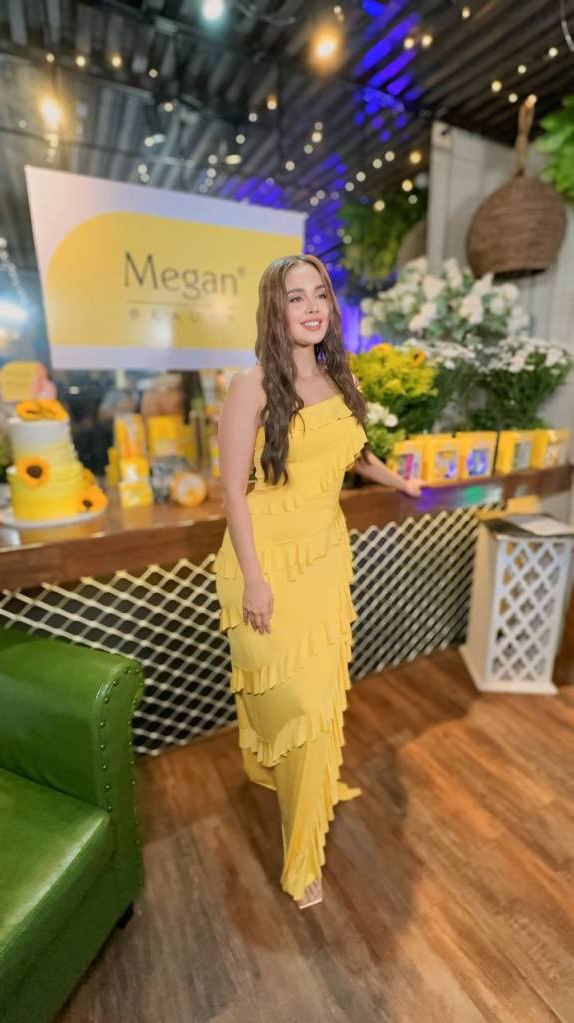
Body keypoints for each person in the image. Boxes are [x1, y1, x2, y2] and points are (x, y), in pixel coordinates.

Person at [214, 254, 422, 910]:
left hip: (325, 558)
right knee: (296, 703)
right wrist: (254, 580)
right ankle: (301, 856)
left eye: (319, 295)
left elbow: (352, 451)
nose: (310, 307)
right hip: (263, 562)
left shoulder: (338, 378)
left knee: (320, 697)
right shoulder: (250, 386)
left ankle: (308, 806)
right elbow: (232, 491)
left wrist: (400, 481)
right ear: (273, 311)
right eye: (294, 297)